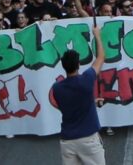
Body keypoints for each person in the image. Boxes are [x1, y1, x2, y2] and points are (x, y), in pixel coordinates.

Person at [53, 26, 106, 165]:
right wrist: (97, 35)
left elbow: (71, 105)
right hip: (88, 140)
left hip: (67, 141)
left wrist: (91, 102)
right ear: (78, 64)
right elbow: (101, 57)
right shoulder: (86, 80)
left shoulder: (57, 88)